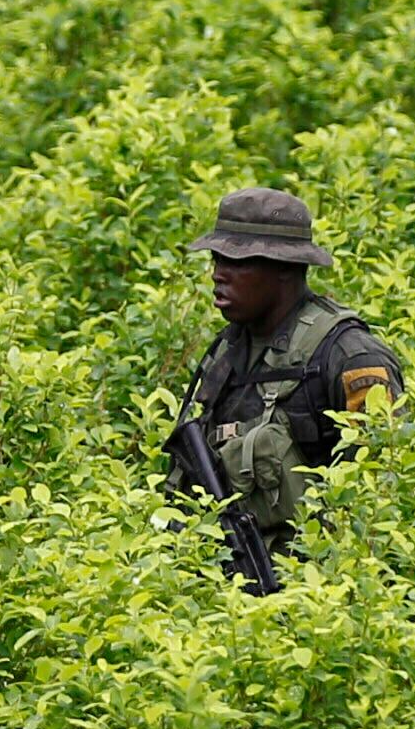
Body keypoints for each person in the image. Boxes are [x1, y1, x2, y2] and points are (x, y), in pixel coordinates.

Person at [168, 187, 403, 556]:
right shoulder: (229, 349)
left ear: (284, 268)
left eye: (237, 262)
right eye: (216, 260)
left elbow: (383, 490)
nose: (218, 275)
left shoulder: (348, 356)